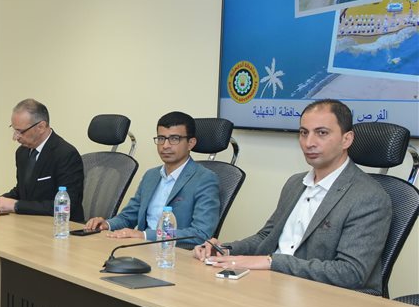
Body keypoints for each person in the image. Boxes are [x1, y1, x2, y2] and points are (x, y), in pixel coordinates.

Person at [193, 99, 391, 294]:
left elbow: (350, 273)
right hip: (274, 285)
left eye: (322, 133)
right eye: (304, 133)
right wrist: (225, 250)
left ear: (346, 139)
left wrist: (271, 262)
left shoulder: (368, 197)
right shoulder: (295, 183)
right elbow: (266, 237)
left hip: (325, 297)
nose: (309, 143)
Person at [84, 111, 220, 246]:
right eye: (161, 138)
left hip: (175, 253)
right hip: (142, 248)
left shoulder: (205, 179)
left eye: (174, 139)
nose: (165, 145)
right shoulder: (151, 175)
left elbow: (200, 234)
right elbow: (129, 216)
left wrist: (145, 235)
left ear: (190, 143)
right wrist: (107, 224)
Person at [0, 99, 85, 222]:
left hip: (61, 226)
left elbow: (66, 205)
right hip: (30, 222)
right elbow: (23, 191)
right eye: (14, 130)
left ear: (41, 127)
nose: (15, 137)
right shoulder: (22, 152)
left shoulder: (65, 154)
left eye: (20, 131)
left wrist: (15, 205)